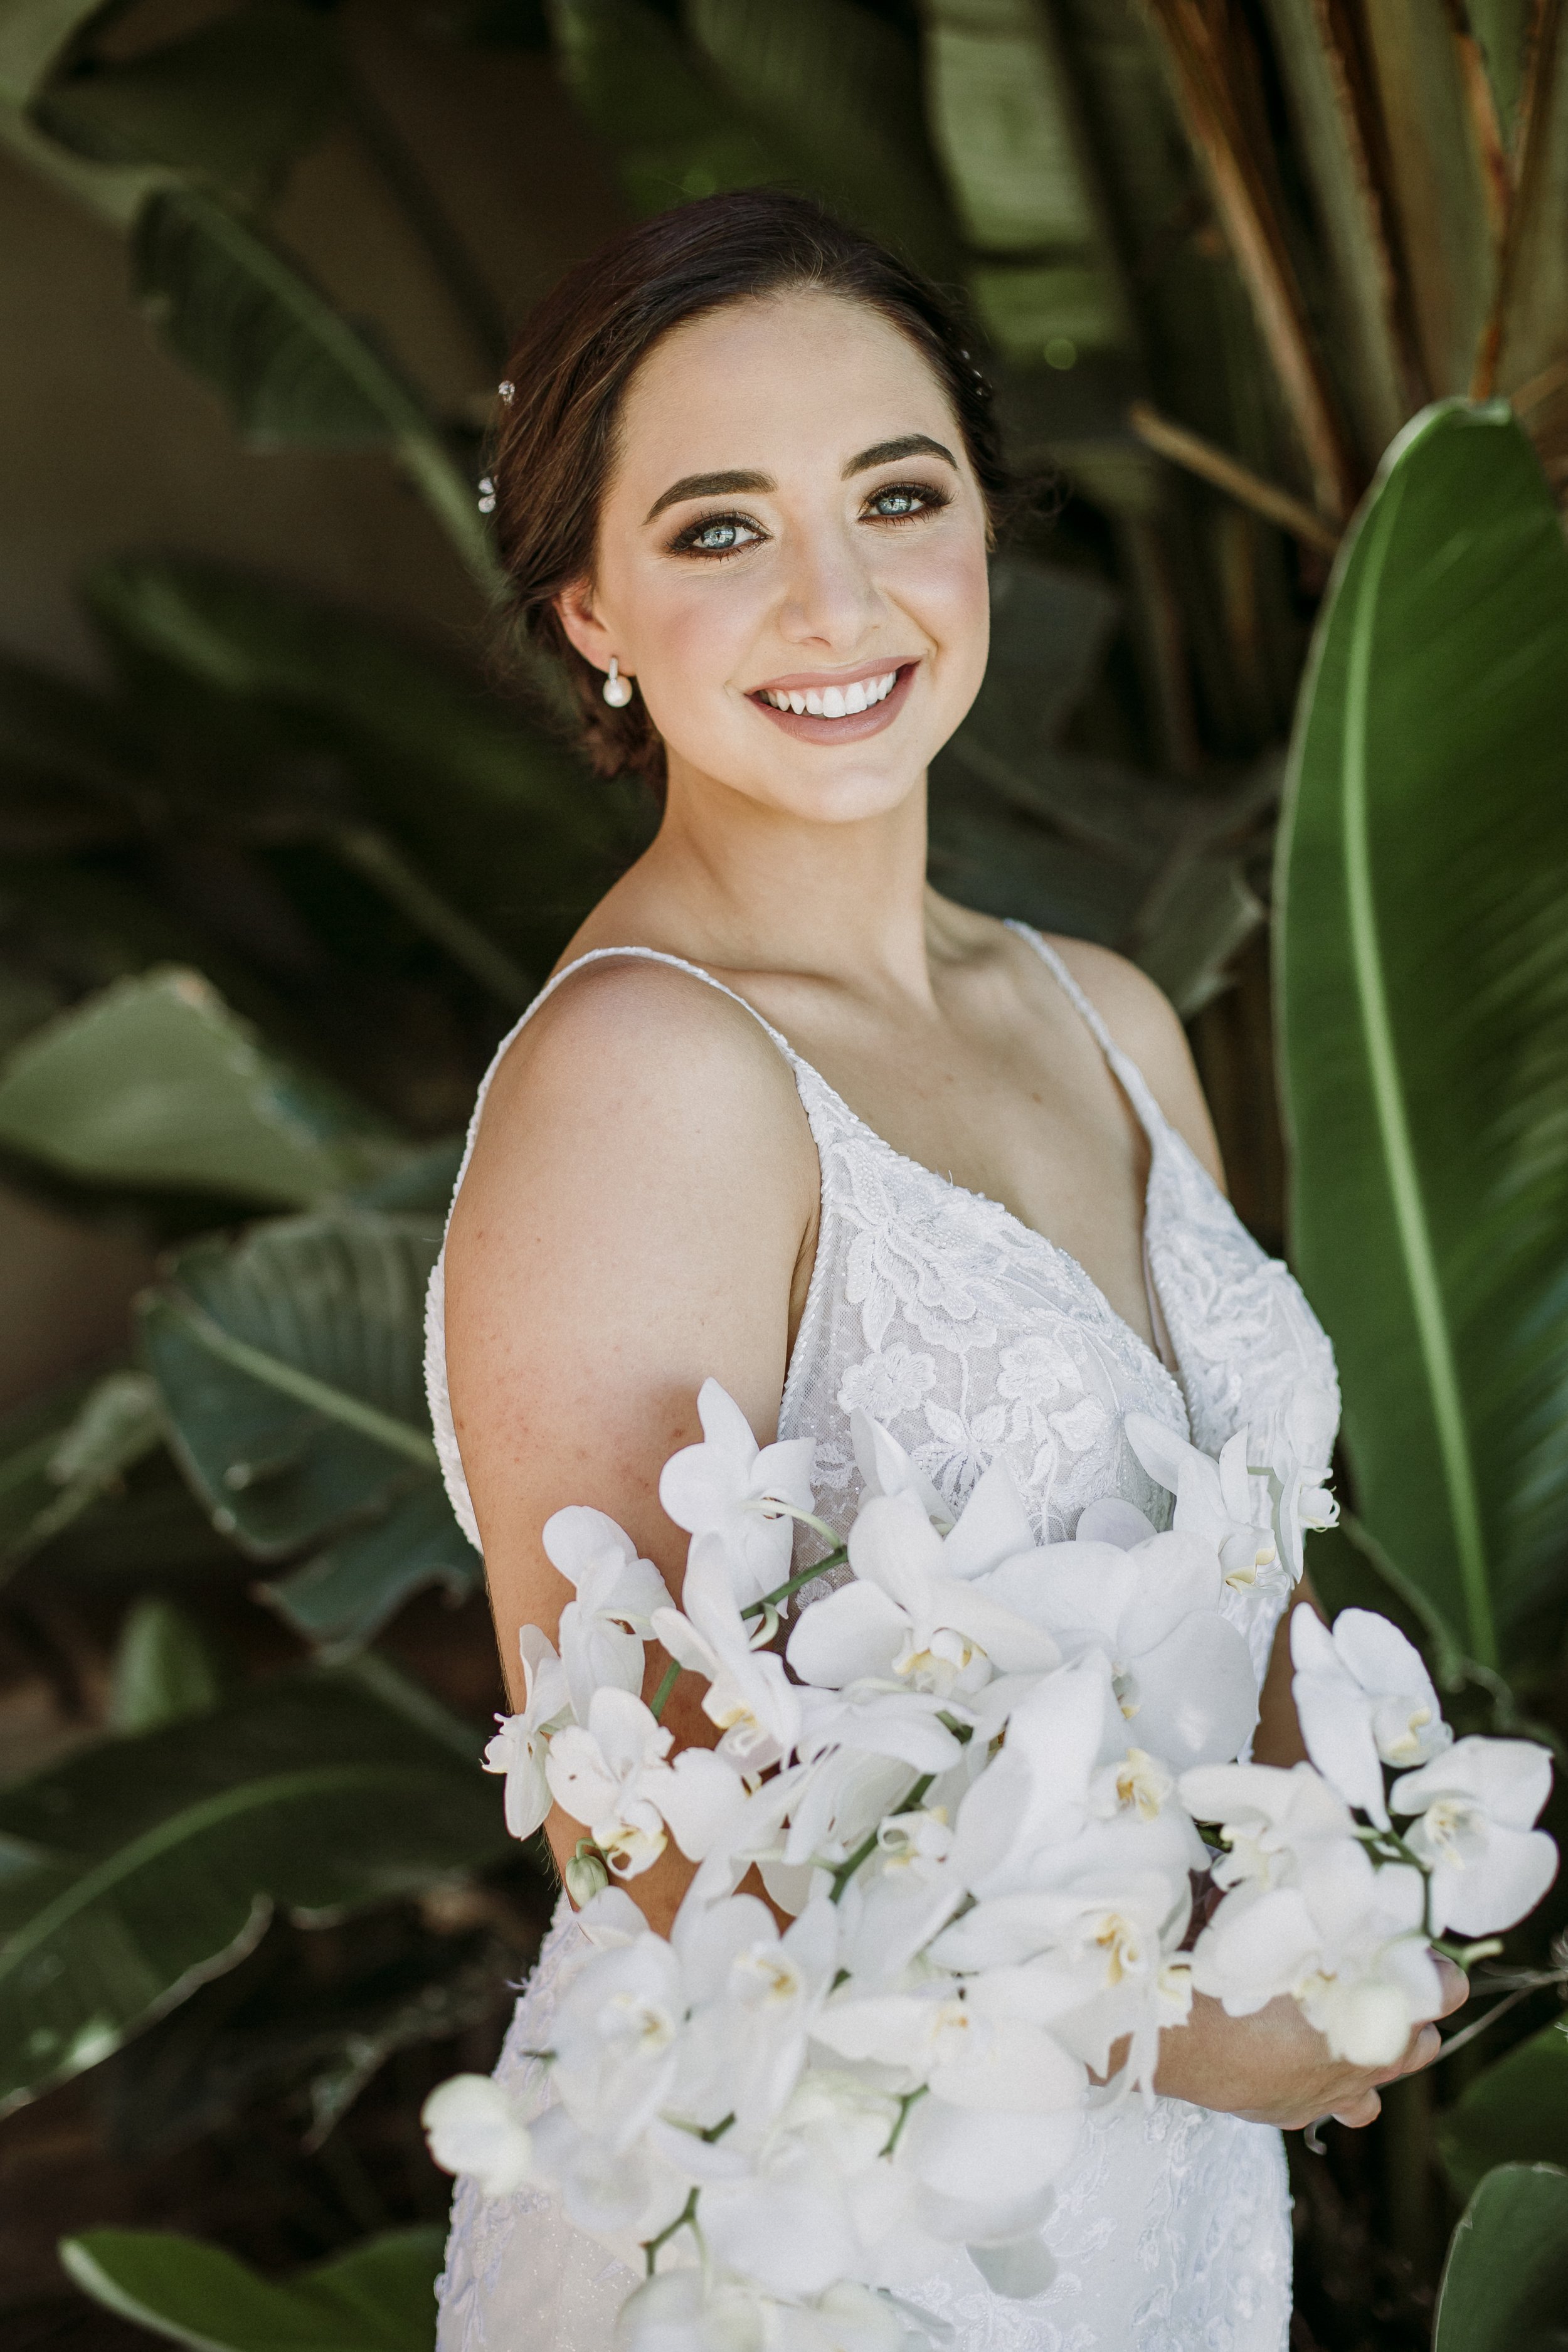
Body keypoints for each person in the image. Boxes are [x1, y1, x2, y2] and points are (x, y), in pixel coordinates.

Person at [425, 189, 1463, 2351]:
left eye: (898, 494)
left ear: (984, 520)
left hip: (1161, 2195)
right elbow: (643, 1817)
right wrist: (1172, 2030)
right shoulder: (648, 1072)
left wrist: (1342, 1904)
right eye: (719, 529)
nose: (840, 597)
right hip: (827, 2210)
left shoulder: (1106, 1011)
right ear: (587, 607)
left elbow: (1233, 1571)